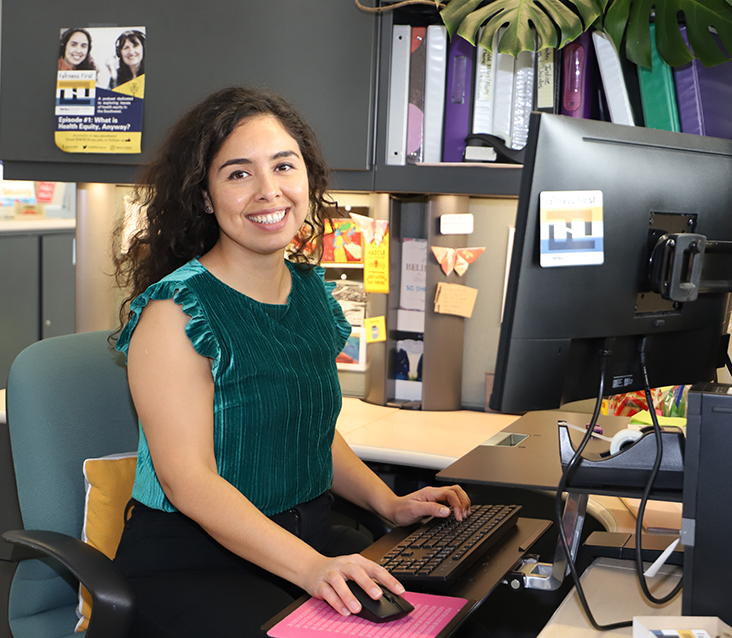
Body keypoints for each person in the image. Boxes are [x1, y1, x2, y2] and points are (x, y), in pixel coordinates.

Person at [111, 87, 471, 638]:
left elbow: (310, 431)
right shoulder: (176, 311)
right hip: (196, 561)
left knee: (460, 612)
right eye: (238, 173)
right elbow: (188, 481)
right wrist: (314, 570)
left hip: (309, 539)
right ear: (205, 196)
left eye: (284, 165)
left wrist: (389, 503)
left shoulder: (308, 292)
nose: (269, 190)